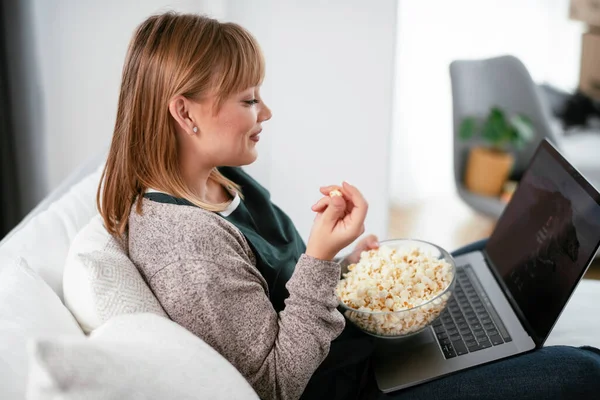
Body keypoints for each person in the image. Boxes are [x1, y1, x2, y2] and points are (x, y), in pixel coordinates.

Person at [98, 12, 600, 400]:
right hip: (355, 386)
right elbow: (276, 384)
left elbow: (281, 292)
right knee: (583, 370)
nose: (266, 112)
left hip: (351, 343)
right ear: (184, 112)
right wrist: (318, 262)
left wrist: (344, 271)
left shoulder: (220, 179)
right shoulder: (186, 246)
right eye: (249, 100)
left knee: (495, 258)